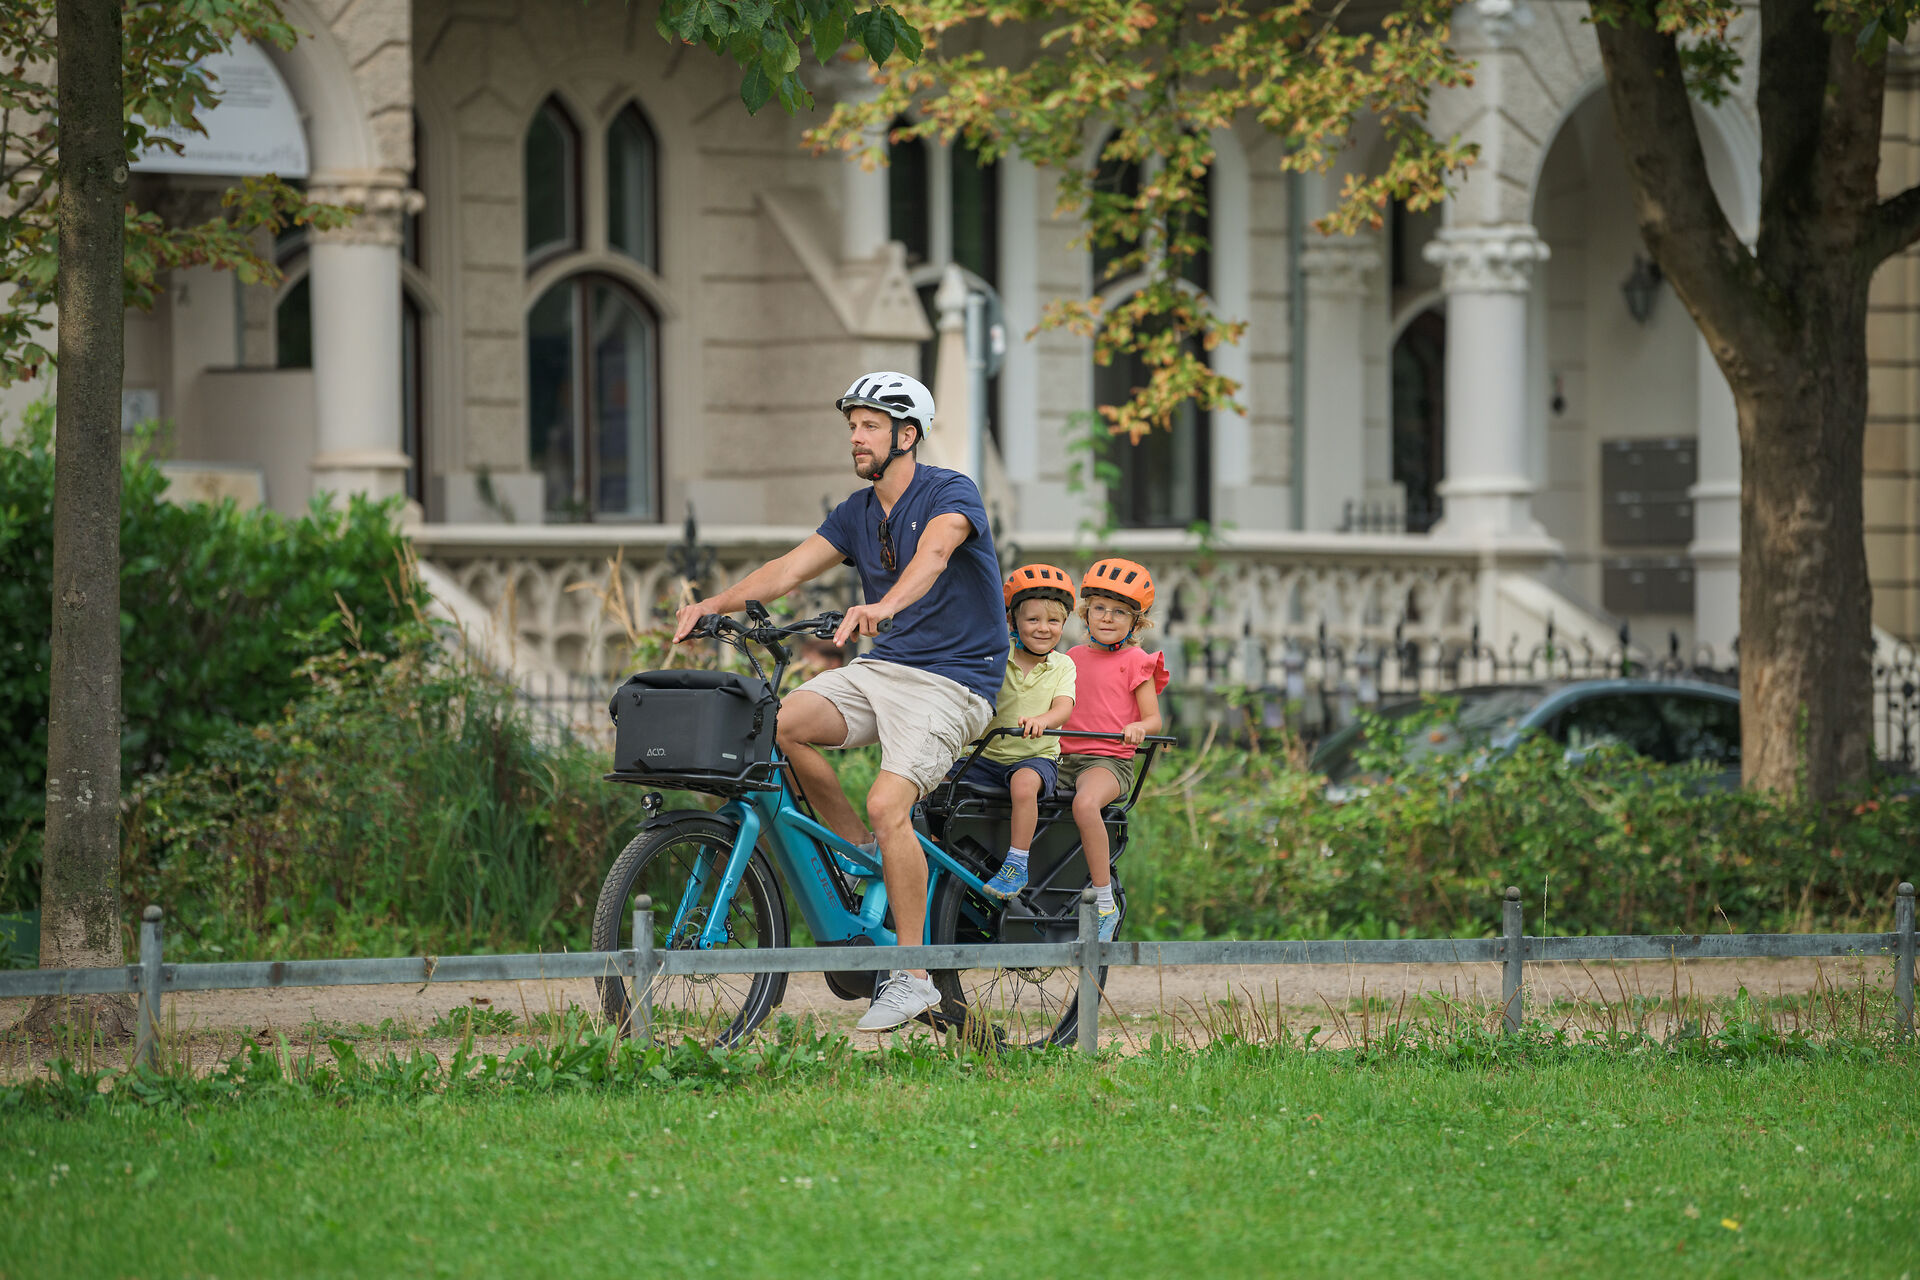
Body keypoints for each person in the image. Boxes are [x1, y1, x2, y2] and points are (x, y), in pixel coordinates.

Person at [672, 371, 1004, 1033]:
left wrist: (883, 604)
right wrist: (710, 604)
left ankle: (912, 978)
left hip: (954, 681)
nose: (855, 436)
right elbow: (788, 570)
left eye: (870, 424)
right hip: (884, 670)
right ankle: (864, 851)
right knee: (773, 726)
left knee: (891, 802)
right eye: (852, 424)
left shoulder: (950, 492)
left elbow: (935, 554)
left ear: (906, 435)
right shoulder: (857, 513)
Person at [1056, 558, 1169, 942]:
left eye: (1119, 612)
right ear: (1086, 614)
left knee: (1085, 804)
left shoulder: (1136, 661)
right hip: (1063, 757)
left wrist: (1138, 726)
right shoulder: (1070, 658)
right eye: (1099, 609)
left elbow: (1154, 720)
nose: (1107, 618)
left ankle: (1105, 903)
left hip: (1107, 762)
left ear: (1136, 623)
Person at [968, 565, 1079, 900]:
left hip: (1035, 756)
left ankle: (1016, 863)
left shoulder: (1062, 665)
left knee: (1024, 783)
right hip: (986, 755)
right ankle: (898, 845)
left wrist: (1045, 719)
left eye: (1053, 621)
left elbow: (1064, 706)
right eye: (1033, 620)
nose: (1043, 629)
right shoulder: (998, 657)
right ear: (1013, 622)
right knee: (929, 778)